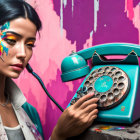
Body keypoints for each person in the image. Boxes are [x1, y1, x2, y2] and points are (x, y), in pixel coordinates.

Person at [0, 0, 99, 139]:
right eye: (11, 40)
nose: (23, 53)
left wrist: (59, 135)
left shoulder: (29, 113)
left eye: (29, 44)